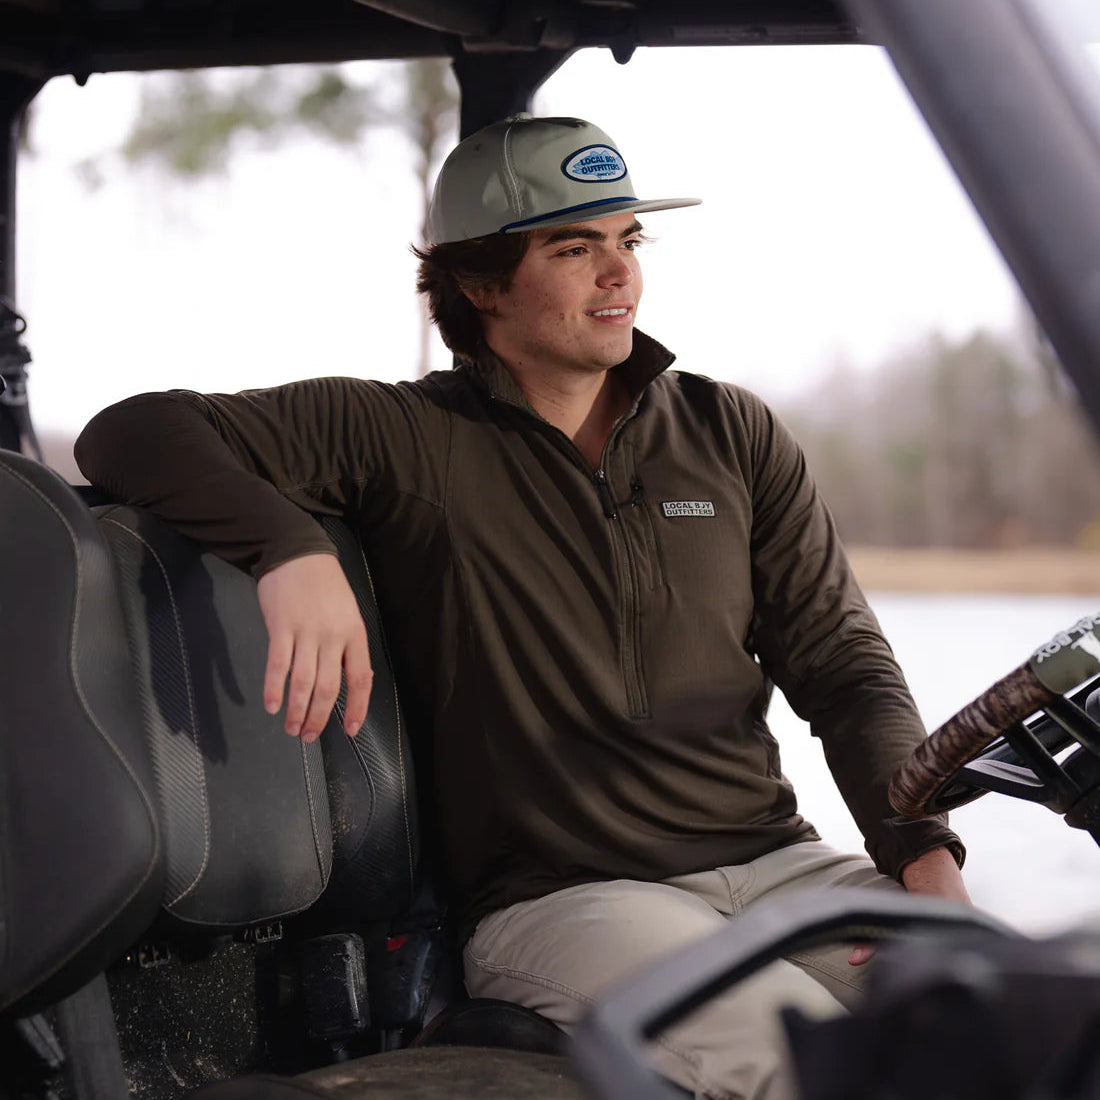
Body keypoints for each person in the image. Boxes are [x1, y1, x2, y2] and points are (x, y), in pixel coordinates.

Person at [76, 114, 968, 1100]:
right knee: (807, 1062)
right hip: (567, 899)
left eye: (628, 240)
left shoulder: (730, 430)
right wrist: (287, 549)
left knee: (1007, 1014)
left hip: (780, 867)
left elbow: (846, 671)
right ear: (480, 281)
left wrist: (926, 864)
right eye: (573, 248)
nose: (619, 274)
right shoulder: (399, 433)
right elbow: (131, 431)